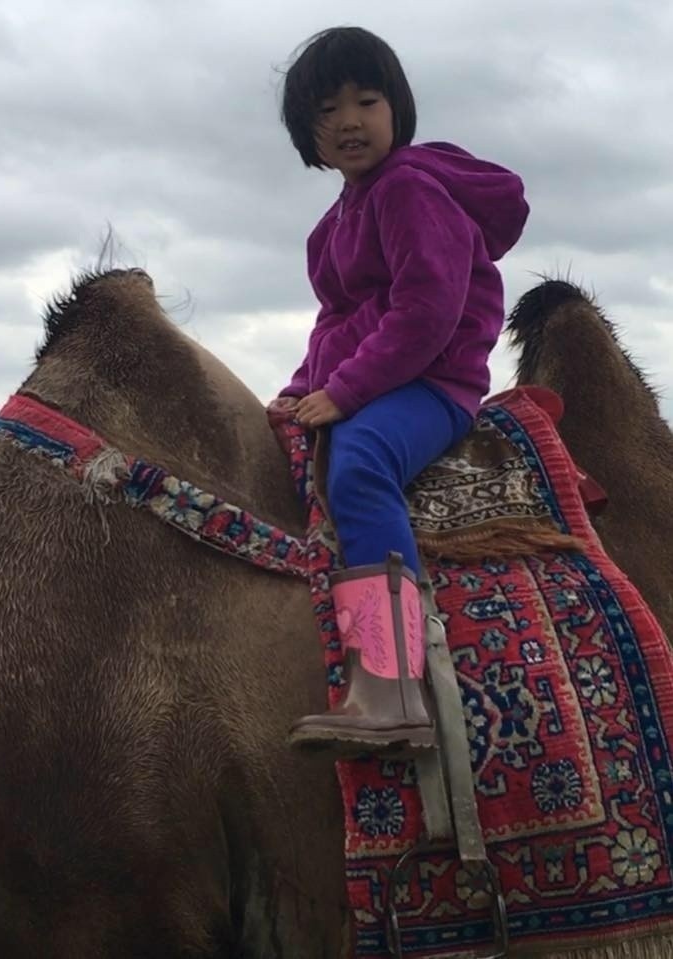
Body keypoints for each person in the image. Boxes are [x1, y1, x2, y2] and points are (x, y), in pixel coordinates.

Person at [273, 27, 529, 755]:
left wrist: (345, 392)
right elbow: (338, 324)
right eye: (327, 111)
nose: (348, 121)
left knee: (360, 465)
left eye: (367, 100)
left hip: (434, 382)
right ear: (307, 132)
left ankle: (393, 688)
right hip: (384, 380)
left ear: (398, 107)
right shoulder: (332, 227)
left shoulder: (409, 190)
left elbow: (426, 310)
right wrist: (301, 389)